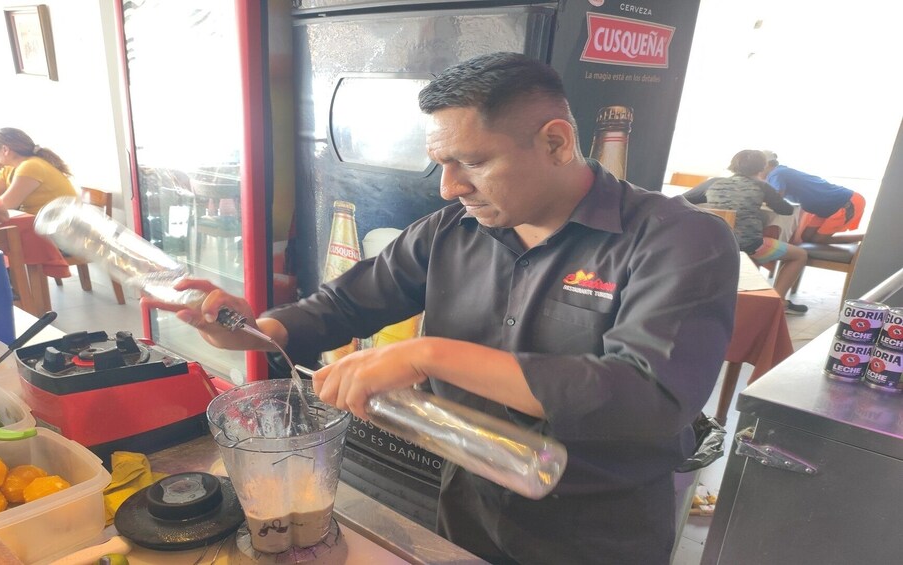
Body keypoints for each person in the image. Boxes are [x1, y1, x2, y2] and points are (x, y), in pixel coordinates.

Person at [146, 52, 739, 565]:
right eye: (442, 164)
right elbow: (348, 302)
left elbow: (648, 397)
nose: (449, 186)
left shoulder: (678, 240)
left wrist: (431, 354)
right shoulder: (453, 229)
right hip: (467, 504)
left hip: (598, 526)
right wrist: (253, 329)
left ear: (556, 142)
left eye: (473, 162)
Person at [706, 150, 808, 314]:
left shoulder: (713, 183)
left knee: (753, 251)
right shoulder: (762, 185)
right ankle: (777, 302)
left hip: (717, 244)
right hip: (749, 246)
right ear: (762, 167)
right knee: (800, 255)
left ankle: (743, 295)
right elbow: (786, 210)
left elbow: (686, 199)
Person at [762, 150, 865, 244]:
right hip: (827, 208)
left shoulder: (776, 173)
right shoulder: (780, 171)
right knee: (806, 237)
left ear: (765, 165)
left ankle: (864, 238)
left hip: (844, 203)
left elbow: (777, 197)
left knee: (819, 239)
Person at [0, 128, 77, 215]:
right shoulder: (9, 168)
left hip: (57, 224)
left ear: (5, 150)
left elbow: (4, 206)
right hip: (37, 220)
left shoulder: (31, 166)